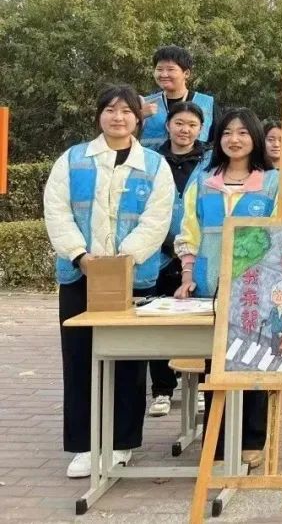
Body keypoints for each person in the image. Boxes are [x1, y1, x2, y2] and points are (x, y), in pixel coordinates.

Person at [44, 85, 174, 479]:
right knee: (79, 358)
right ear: (99, 115)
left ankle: (121, 442)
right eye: (110, 110)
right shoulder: (73, 160)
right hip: (80, 276)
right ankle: (84, 445)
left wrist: (124, 259)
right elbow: (57, 211)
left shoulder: (154, 165)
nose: (118, 118)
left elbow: (157, 218)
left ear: (138, 119)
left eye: (126, 111)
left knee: (129, 362)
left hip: (132, 277)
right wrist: (80, 255)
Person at [174, 107, 279, 467]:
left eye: (243, 133)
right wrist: (188, 275)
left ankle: (252, 437)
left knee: (253, 363)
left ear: (255, 138)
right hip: (210, 287)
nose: (235, 139)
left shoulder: (273, 183)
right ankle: (217, 440)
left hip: (256, 291)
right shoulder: (204, 181)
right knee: (215, 364)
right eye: (227, 133)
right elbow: (189, 231)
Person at [147, 101, 208, 419]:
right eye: (179, 123)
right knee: (159, 324)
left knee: (199, 325)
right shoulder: (152, 160)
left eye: (192, 125)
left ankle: (200, 387)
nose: (185, 130)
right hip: (157, 254)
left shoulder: (211, 161)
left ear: (201, 129)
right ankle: (162, 390)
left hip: (198, 255)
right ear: (168, 125)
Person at [139, 45, 217, 149]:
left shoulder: (207, 103)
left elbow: (218, 141)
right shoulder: (145, 104)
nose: (164, 74)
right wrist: (138, 116)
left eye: (170, 69)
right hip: (151, 159)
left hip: (196, 159)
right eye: (159, 69)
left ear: (186, 73)